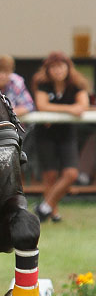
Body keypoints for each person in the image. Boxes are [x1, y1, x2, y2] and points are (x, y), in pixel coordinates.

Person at [30, 51, 90, 222]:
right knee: (50, 176)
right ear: (48, 70)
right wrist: (69, 109)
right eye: (54, 67)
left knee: (71, 174)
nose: (58, 71)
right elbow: (42, 105)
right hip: (45, 134)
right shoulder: (42, 84)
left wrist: (63, 109)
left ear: (68, 68)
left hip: (67, 134)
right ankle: (53, 212)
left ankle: (44, 207)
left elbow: (83, 105)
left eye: (61, 67)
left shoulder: (76, 85)